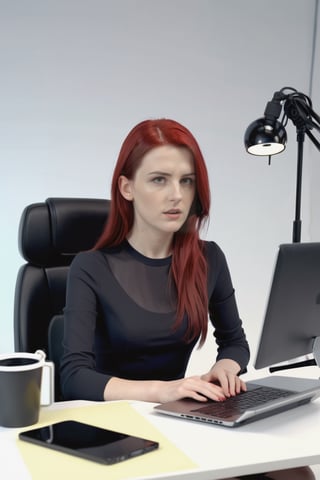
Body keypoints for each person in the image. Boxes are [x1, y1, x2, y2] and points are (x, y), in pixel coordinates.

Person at [60, 119, 315, 480]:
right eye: (159, 179)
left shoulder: (208, 258)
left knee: (295, 472)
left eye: (187, 180)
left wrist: (225, 369)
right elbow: (74, 376)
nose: (176, 195)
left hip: (183, 416)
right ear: (127, 187)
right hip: (117, 429)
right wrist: (164, 390)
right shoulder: (90, 267)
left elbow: (235, 342)